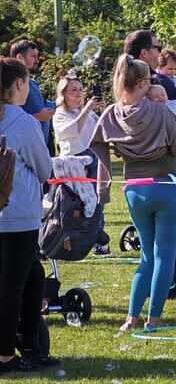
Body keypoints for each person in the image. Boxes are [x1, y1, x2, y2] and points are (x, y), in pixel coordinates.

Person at [98, 55, 176, 333]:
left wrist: (103, 183)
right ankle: (154, 319)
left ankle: (131, 318)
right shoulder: (160, 111)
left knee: (146, 258)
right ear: (141, 83)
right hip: (167, 186)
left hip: (135, 191)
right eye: (149, 81)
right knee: (164, 254)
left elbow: (96, 143)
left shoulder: (112, 113)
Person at [0, 58, 54, 371]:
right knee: (12, 286)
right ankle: (6, 354)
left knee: (33, 279)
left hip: (9, 215)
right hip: (18, 215)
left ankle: (32, 346)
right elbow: (45, 168)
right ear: (18, 84)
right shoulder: (22, 122)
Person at [52, 75, 111, 255]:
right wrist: (86, 110)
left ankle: (98, 240)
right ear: (64, 94)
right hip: (74, 163)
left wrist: (103, 113)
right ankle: (76, 240)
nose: (78, 93)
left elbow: (101, 132)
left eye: (80, 89)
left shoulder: (87, 112)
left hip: (93, 159)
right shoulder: (60, 114)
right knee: (80, 204)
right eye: (73, 90)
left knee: (98, 200)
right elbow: (70, 132)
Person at [123, 30, 176, 116]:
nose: (160, 53)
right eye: (158, 48)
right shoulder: (157, 80)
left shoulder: (123, 81)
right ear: (144, 53)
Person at [8, 40, 53, 146]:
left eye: (37, 56)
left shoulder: (33, 84)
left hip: (40, 146)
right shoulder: (9, 85)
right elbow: (8, 120)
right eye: (33, 56)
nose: (37, 60)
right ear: (19, 58)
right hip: (23, 149)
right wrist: (38, 117)